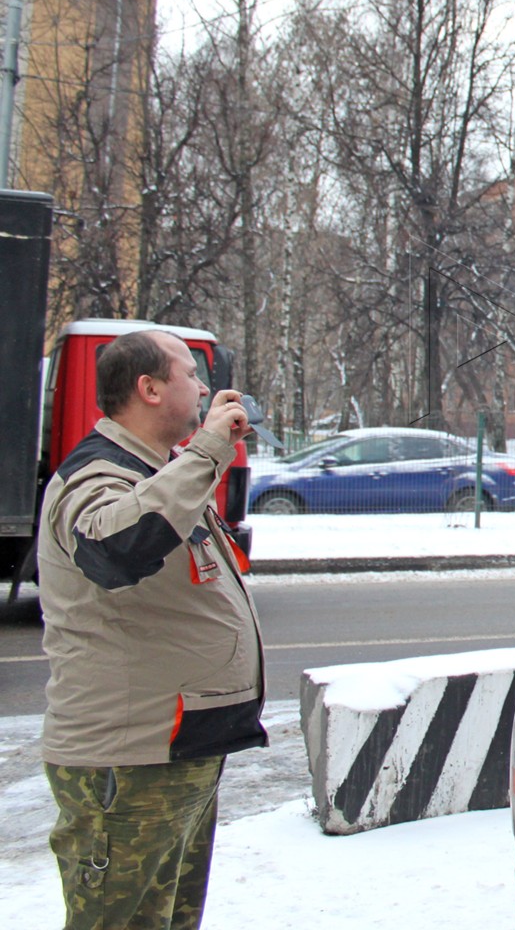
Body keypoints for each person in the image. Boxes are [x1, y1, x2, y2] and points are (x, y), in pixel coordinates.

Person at [38, 330, 264, 930]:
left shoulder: (161, 470)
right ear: (150, 388)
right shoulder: (95, 473)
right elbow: (119, 547)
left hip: (179, 746)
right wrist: (209, 449)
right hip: (127, 759)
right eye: (191, 373)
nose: (204, 387)